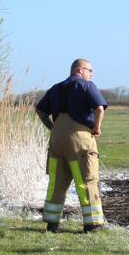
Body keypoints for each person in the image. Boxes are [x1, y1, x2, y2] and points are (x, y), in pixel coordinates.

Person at [35, 58, 108, 232]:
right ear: (80, 70)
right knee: (86, 179)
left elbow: (40, 110)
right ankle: (92, 224)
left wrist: (52, 127)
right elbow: (99, 108)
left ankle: (52, 222)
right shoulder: (86, 85)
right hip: (79, 138)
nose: (91, 74)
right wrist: (97, 128)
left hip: (57, 138)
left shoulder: (56, 88)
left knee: (57, 181)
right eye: (90, 70)